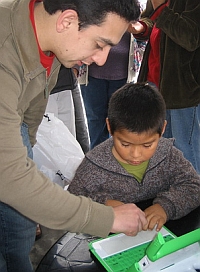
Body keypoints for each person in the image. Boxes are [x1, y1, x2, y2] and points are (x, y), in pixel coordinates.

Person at [0, 1, 148, 271]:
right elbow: (9, 176)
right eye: (100, 44)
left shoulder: (51, 44)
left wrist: (30, 193)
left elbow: (29, 120)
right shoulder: (4, 53)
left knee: (18, 227)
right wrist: (107, 219)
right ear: (66, 21)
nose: (102, 59)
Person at [68, 83, 200, 232]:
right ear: (110, 126)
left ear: (162, 129)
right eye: (125, 144)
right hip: (108, 245)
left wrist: (165, 207)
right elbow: (71, 204)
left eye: (147, 145)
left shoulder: (169, 155)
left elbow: (194, 186)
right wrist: (104, 207)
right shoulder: (92, 167)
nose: (136, 155)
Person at [129, 0, 200, 174]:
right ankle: (174, 195)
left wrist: (162, 8)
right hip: (156, 84)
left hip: (183, 90)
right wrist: (141, 28)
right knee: (161, 149)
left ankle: (192, 197)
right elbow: (151, 21)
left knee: (186, 150)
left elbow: (191, 37)